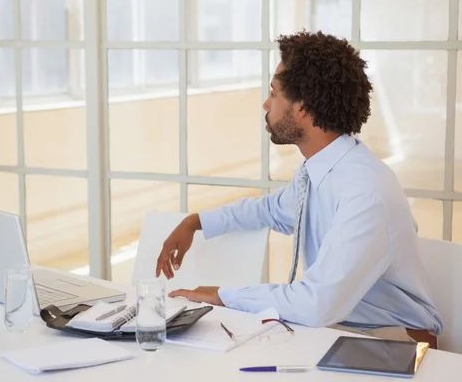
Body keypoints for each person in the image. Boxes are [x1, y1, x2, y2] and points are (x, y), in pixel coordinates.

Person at [155, 31, 443, 345]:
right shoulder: (320, 169)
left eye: (274, 94)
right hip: (337, 333)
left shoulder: (365, 193)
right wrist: (194, 222)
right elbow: (269, 210)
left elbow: (315, 304)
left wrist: (222, 295)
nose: (265, 104)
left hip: (390, 347)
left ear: (303, 108)